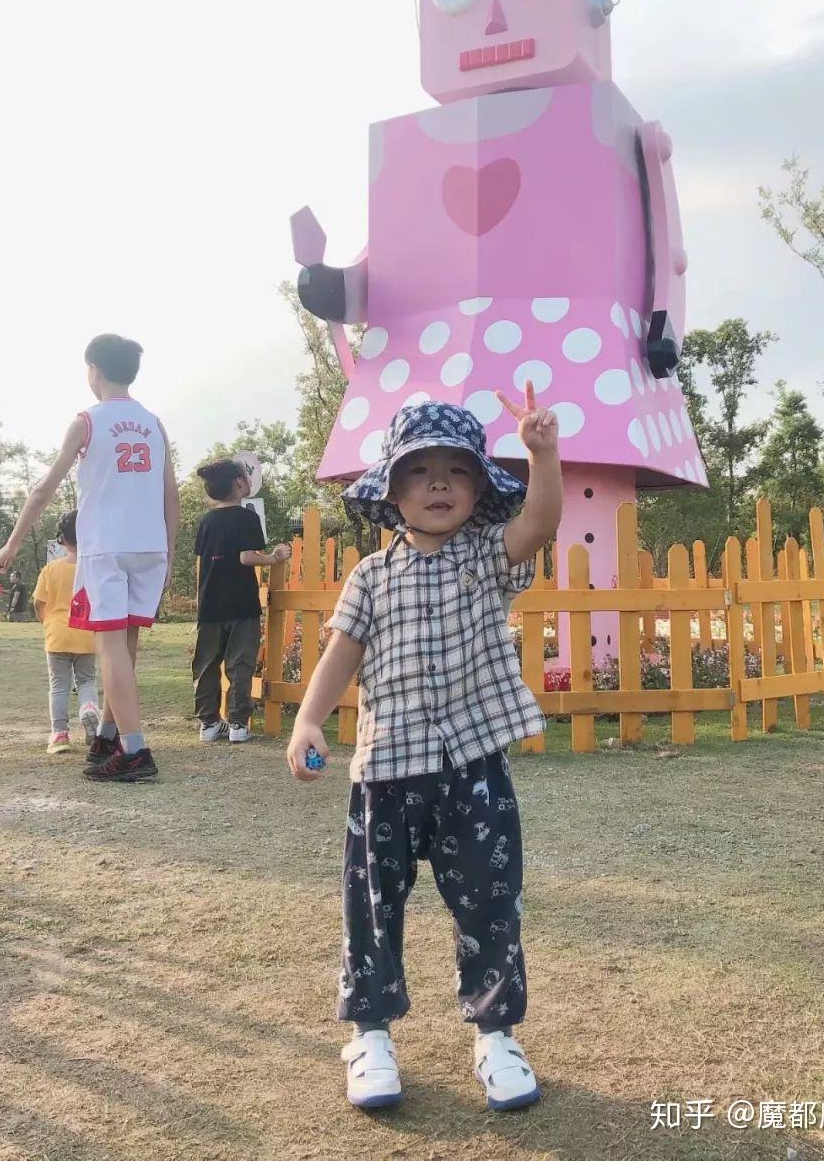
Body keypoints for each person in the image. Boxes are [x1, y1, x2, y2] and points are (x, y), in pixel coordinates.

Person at [285, 388, 561, 1113]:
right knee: (373, 903)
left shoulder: (488, 555)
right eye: (419, 471)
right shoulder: (371, 576)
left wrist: (542, 455)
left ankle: (496, 1035)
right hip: (387, 768)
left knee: (491, 900)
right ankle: (369, 1035)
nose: (439, 484)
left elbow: (540, 523)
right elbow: (341, 656)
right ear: (390, 490)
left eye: (457, 470)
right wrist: (308, 721)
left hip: (475, 766)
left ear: (479, 487)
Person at [0, 333, 178, 782]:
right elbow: (171, 495)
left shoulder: (87, 421)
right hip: (150, 545)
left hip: (107, 547)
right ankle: (109, 736)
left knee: (109, 647)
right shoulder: (154, 424)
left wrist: (12, 543)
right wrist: (169, 555)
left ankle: (135, 751)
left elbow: (44, 489)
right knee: (126, 645)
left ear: (94, 370)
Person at [193, 459, 290, 744]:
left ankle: (209, 723)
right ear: (238, 482)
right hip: (240, 602)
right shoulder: (247, 518)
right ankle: (237, 723)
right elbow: (246, 558)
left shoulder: (206, 521)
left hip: (210, 602)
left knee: (206, 664)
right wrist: (274, 558)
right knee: (240, 664)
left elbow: (203, 561)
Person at [33, 510, 100, 755]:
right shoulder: (94, 569)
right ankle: (89, 708)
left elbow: (39, 603)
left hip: (57, 634)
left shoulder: (50, 570)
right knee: (87, 680)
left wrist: (47, 622)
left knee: (59, 685)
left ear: (63, 539)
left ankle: (60, 734)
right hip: (86, 632)